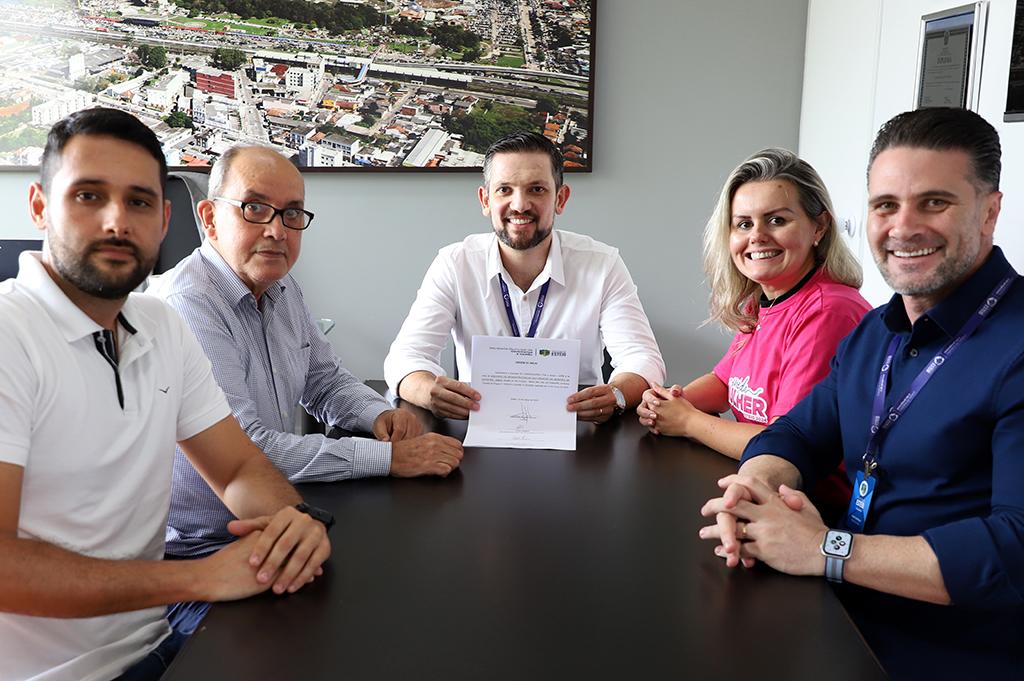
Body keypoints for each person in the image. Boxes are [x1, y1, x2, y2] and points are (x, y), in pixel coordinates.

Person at [0, 108, 331, 681]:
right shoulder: (10, 335)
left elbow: (237, 469)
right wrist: (199, 578)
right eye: (88, 196)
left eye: (139, 201)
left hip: (159, 645)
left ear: (164, 220)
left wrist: (292, 526)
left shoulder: (160, 325)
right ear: (39, 206)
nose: (117, 222)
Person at [699, 107, 1024, 679]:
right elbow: (798, 432)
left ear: (990, 211)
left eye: (935, 202)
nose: (903, 227)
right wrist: (753, 489)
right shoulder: (876, 331)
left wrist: (825, 549)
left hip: (951, 651)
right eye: (885, 205)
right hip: (844, 614)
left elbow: (1014, 550)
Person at [150, 145, 463, 561]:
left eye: (292, 214)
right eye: (255, 208)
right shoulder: (188, 305)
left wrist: (377, 414)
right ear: (209, 218)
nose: (277, 231)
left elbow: (324, 379)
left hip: (277, 518)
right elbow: (248, 448)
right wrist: (388, 458)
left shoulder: (280, 285)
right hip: (201, 548)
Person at [384, 131, 665, 423]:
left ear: (560, 199)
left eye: (537, 189)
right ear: (485, 200)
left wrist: (616, 395)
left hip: (579, 430)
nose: (519, 205)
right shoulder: (455, 263)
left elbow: (643, 358)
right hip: (478, 427)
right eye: (504, 189)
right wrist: (428, 392)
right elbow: (405, 357)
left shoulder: (602, 264)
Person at [637, 149, 870, 466]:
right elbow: (725, 383)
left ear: (819, 227)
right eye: (744, 224)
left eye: (777, 220)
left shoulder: (828, 312)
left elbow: (786, 443)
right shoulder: (762, 299)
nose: (757, 236)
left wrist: (688, 421)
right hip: (755, 477)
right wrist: (670, 402)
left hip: (805, 491)